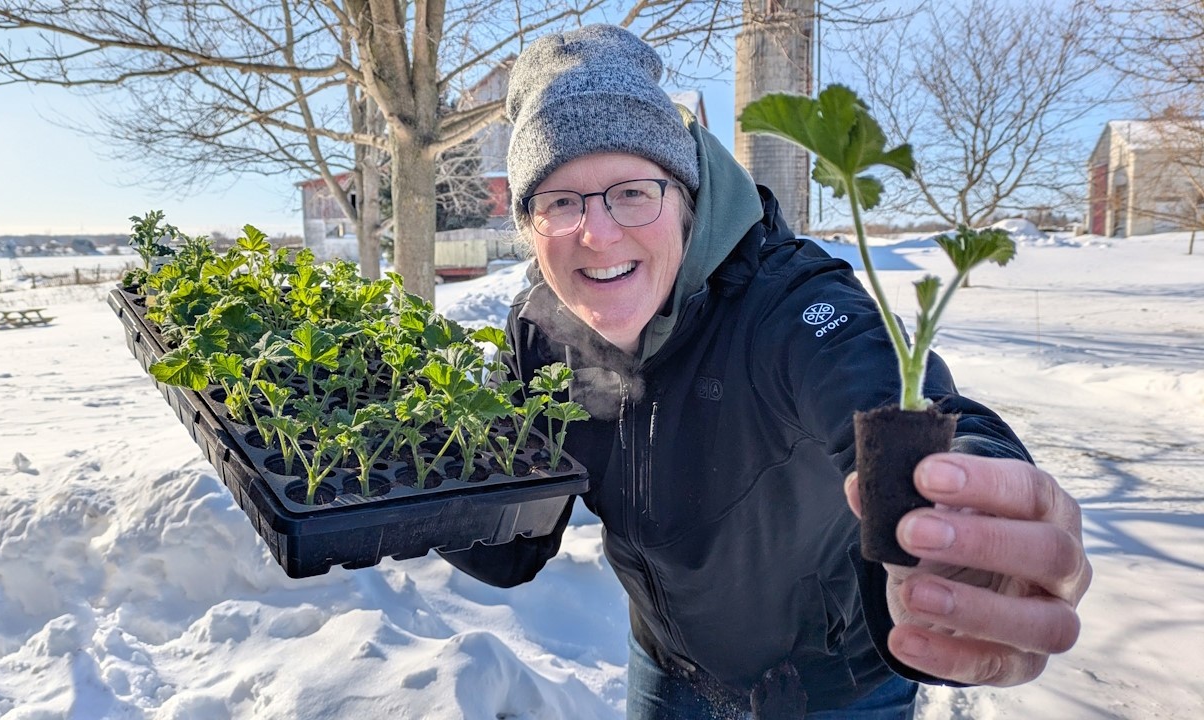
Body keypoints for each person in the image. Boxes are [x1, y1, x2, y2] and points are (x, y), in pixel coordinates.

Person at [441, 24, 1091, 720]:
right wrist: (414, 477)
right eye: (560, 202)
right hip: (667, 666)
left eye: (631, 192)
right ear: (528, 223)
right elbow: (513, 543)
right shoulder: (540, 330)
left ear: (684, 198)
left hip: (833, 687)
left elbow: (896, 398)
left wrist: (967, 512)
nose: (597, 235)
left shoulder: (788, 302)